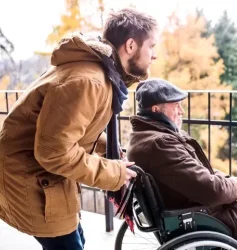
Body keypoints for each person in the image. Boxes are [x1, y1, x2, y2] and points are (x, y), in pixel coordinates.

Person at [0, 8, 158, 250]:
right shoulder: (88, 81)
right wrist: (113, 172)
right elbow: (54, 152)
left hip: (41, 174)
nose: (154, 55)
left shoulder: (99, 73)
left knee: (76, 239)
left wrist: (110, 150)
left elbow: (74, 129)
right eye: (152, 46)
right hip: (30, 177)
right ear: (130, 46)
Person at [126, 78, 237, 250]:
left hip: (193, 204)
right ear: (156, 109)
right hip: (200, 215)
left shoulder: (147, 134)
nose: (182, 111)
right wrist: (234, 187)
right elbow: (211, 190)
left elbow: (196, 170)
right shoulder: (161, 143)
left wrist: (227, 179)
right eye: (175, 105)